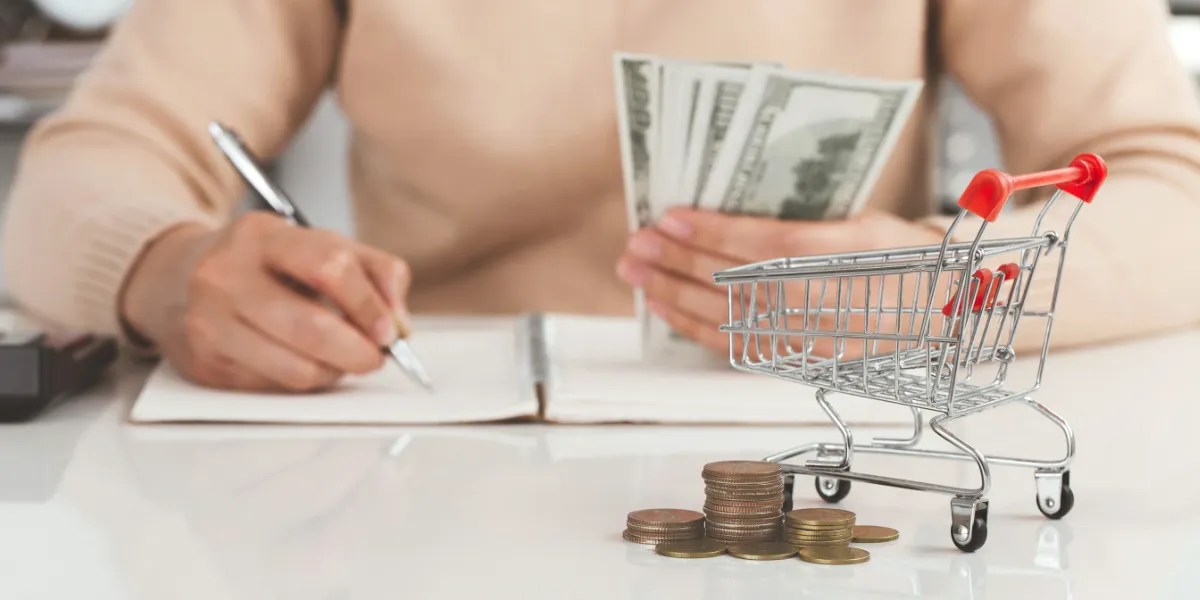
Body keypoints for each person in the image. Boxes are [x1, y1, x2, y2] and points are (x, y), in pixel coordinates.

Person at [3, 0, 1199, 393]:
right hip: (422, 440)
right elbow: (92, 159)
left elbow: (1173, 184)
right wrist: (163, 270)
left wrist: (948, 289)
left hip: (813, 422)